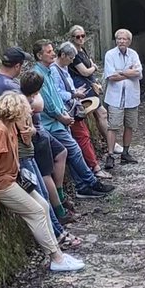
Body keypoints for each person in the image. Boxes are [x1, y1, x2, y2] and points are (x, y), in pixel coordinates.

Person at [0, 92, 85, 272]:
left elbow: (25, 143)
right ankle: (56, 258)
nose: (29, 113)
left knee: (43, 205)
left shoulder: (9, 124)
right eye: (25, 111)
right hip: (1, 183)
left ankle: (57, 253)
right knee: (36, 211)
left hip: (12, 177)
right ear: (15, 112)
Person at [33, 39, 115, 198]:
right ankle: (90, 182)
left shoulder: (48, 71)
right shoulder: (41, 74)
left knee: (71, 152)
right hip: (52, 123)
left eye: (52, 50)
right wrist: (62, 116)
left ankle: (83, 186)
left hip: (59, 118)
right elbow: (49, 102)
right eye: (48, 52)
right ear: (39, 55)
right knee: (75, 150)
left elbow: (54, 97)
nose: (52, 54)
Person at [19, 71, 74, 225]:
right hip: (37, 137)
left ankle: (60, 195)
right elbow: (40, 105)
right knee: (45, 173)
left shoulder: (28, 96)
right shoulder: (26, 100)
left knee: (62, 152)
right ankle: (59, 211)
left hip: (42, 133)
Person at [54, 41, 111, 180]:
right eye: (71, 58)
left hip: (72, 106)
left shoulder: (63, 67)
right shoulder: (55, 71)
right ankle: (93, 170)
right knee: (82, 138)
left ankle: (91, 170)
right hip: (67, 109)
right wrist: (73, 94)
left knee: (82, 138)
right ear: (62, 55)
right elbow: (56, 92)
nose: (72, 61)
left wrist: (75, 91)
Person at [66, 25, 115, 153]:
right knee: (101, 113)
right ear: (72, 38)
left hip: (88, 85)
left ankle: (109, 142)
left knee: (100, 114)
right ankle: (110, 143)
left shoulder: (82, 50)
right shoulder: (74, 54)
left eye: (83, 36)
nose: (81, 38)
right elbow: (85, 72)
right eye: (78, 37)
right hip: (82, 87)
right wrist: (94, 67)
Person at [103, 28, 143, 168]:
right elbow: (111, 76)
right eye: (119, 38)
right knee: (113, 126)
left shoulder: (133, 54)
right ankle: (110, 154)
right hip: (115, 97)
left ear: (129, 41)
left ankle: (125, 152)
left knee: (130, 125)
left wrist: (121, 71)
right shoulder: (110, 55)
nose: (121, 41)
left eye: (124, 39)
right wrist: (129, 73)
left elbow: (139, 72)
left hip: (131, 96)